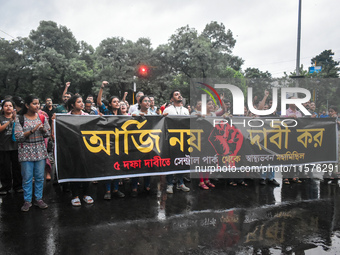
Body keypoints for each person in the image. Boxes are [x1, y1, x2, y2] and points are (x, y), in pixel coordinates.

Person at [14, 95, 50, 212]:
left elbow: (47, 133)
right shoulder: (20, 118)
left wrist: (43, 130)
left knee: (40, 177)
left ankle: (38, 199)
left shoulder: (42, 117)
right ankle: (27, 200)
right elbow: (18, 137)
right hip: (26, 152)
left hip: (40, 151)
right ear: (27, 105)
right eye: (34, 103)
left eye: (38, 103)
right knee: (27, 178)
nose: (37, 106)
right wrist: (32, 130)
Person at [97, 81, 125, 200]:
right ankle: (107, 191)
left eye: (118, 102)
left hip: (119, 144)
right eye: (114, 102)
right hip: (108, 143)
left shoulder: (122, 115)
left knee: (117, 167)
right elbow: (98, 102)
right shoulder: (107, 112)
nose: (117, 103)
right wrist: (102, 88)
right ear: (109, 104)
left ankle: (116, 189)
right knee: (109, 167)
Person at [66, 95, 94, 206]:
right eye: (79, 102)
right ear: (72, 105)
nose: (82, 104)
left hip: (85, 148)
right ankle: (75, 195)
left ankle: (86, 194)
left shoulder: (87, 116)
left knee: (86, 170)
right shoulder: (65, 117)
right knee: (74, 170)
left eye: (82, 101)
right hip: (72, 149)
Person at [163, 90, 190, 194]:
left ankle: (181, 183)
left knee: (181, 161)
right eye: (176, 94)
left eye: (179, 94)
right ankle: (170, 184)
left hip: (183, 140)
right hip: (171, 140)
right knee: (171, 162)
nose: (179, 95)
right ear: (171, 99)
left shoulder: (185, 110)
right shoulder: (168, 110)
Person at [130, 95, 156, 197]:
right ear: (140, 103)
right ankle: (134, 186)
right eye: (145, 101)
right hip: (137, 144)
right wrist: (135, 117)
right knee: (136, 165)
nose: (148, 103)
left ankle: (147, 185)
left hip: (149, 143)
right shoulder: (135, 113)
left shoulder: (152, 114)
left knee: (148, 164)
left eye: (149, 101)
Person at [0, 99, 22, 195]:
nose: (8, 107)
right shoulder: (0, 118)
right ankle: (5, 187)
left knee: (17, 167)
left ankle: (17, 186)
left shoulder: (19, 118)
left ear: (14, 108)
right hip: (3, 147)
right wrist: (10, 121)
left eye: (10, 105)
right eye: (6, 105)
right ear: (2, 108)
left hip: (16, 147)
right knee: (5, 168)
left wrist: (15, 119)